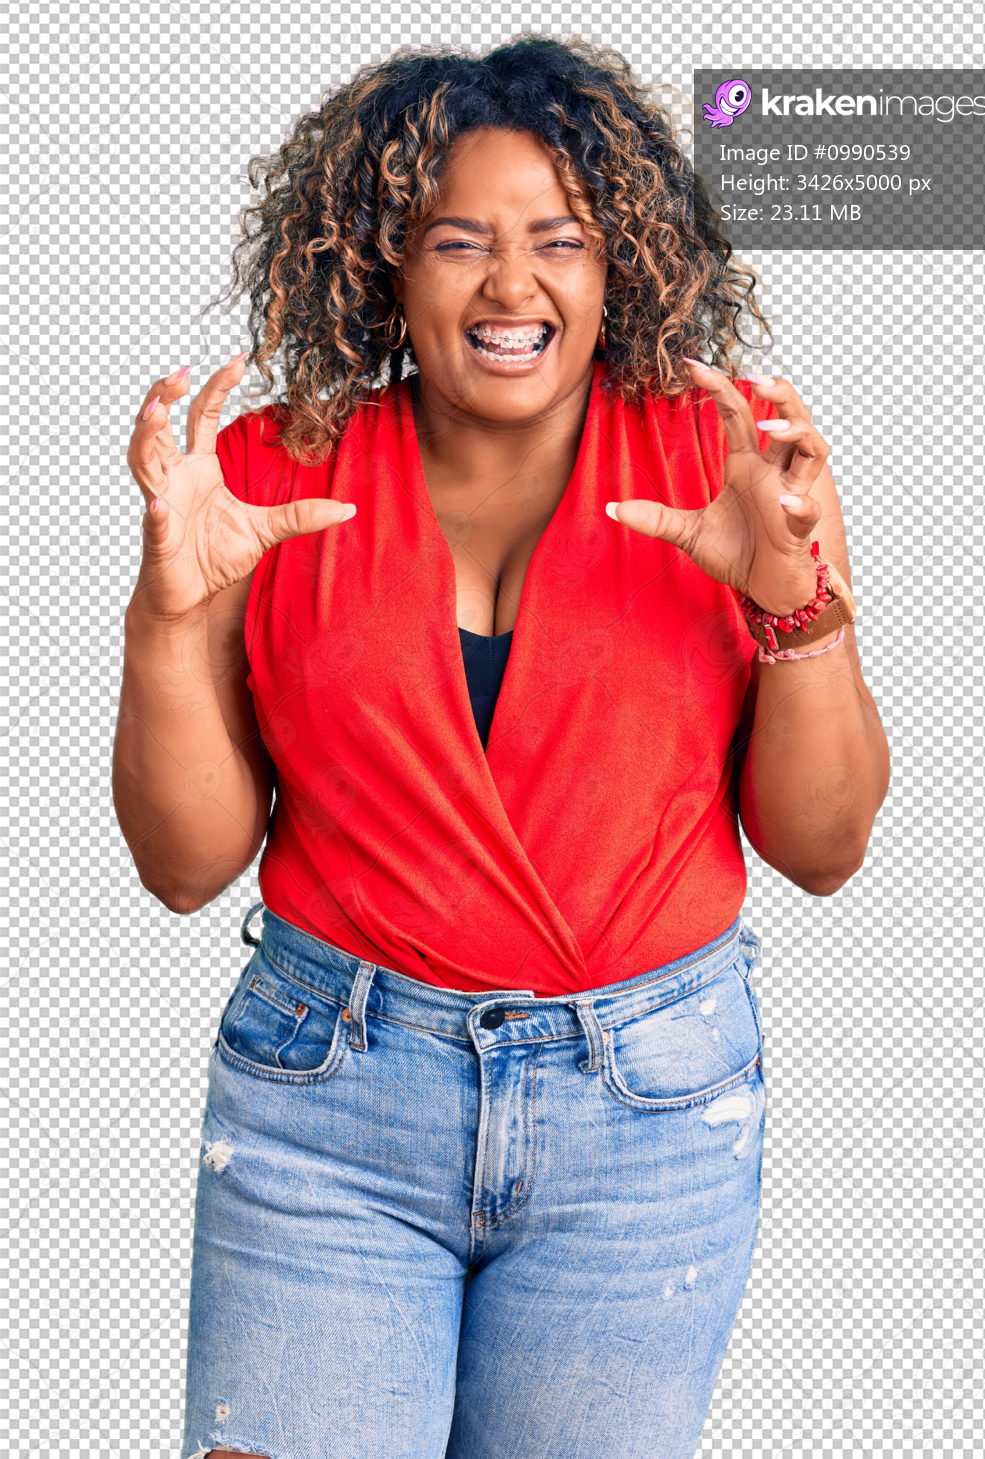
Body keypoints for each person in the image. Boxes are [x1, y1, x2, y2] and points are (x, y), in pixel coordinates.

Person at [114, 35, 890, 1459]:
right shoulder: (273, 475)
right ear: (381, 265)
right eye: (458, 240)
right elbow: (186, 864)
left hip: (644, 1120)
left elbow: (825, 849)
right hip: (329, 1106)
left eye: (560, 241)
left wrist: (798, 607)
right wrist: (169, 625)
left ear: (623, 268)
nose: (512, 286)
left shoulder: (724, 465)